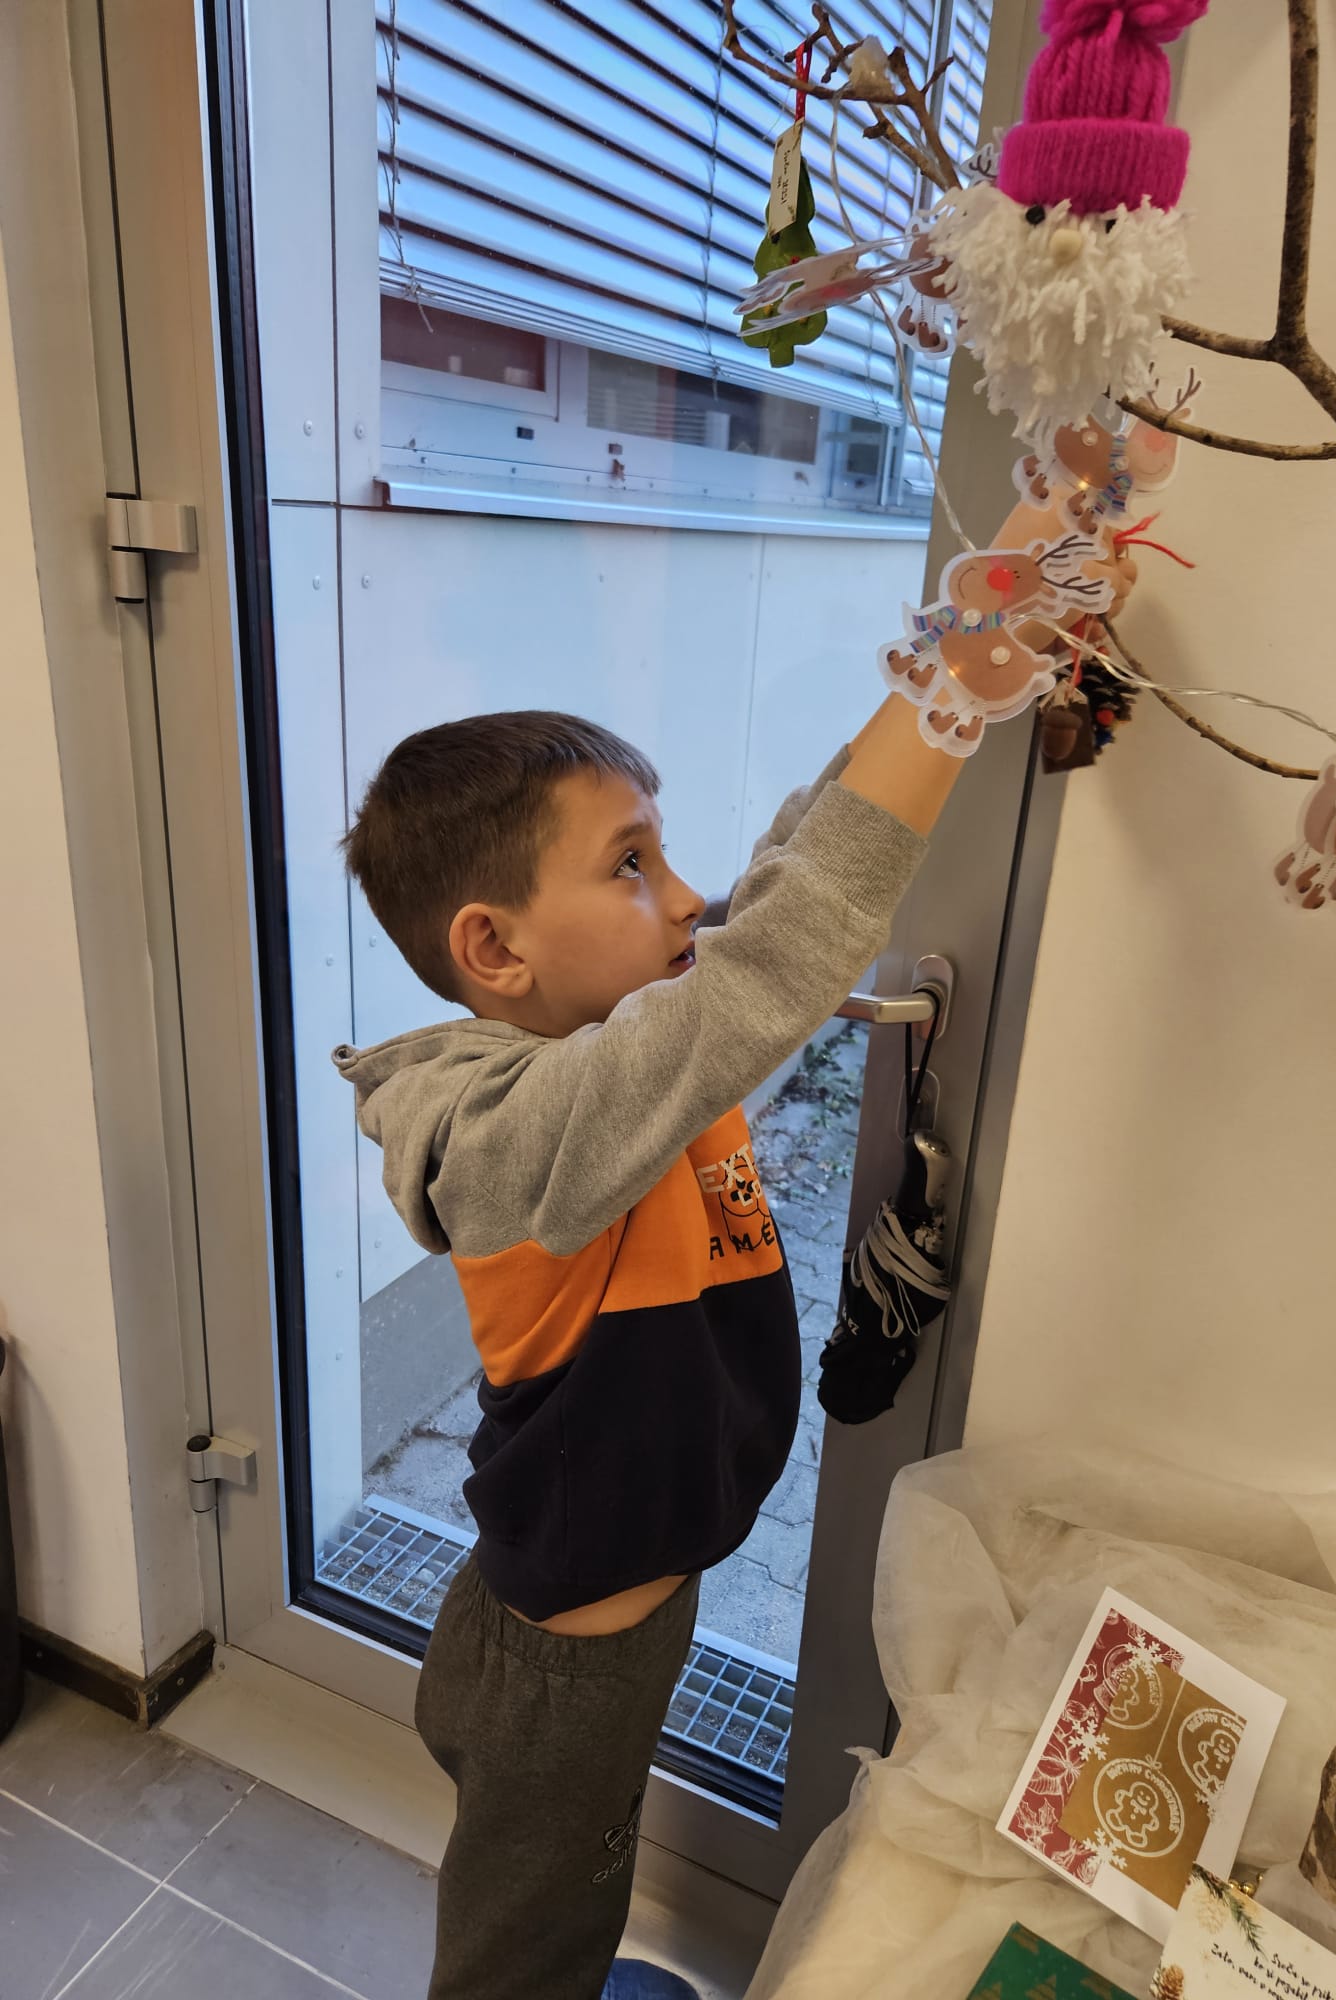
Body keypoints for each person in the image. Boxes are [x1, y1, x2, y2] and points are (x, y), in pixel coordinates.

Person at [335, 693, 968, 1999]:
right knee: (520, 1959)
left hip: (607, 1629)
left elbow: (783, 880)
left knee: (581, 1894)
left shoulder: (621, 1049)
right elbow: (779, 951)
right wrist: (970, 678)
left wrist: (928, 678)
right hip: (559, 1672)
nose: (685, 899)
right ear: (494, 948)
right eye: (631, 864)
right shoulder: (522, 1136)